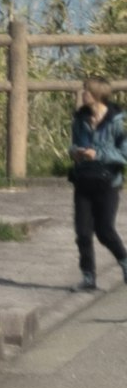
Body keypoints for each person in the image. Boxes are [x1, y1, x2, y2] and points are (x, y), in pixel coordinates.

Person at [73, 86, 127, 293]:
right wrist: (75, 152)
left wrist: (98, 154)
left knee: (105, 231)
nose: (83, 93)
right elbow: (74, 144)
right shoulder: (80, 119)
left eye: (86, 90)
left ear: (97, 94)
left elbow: (123, 154)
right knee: (83, 233)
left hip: (107, 182)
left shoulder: (115, 122)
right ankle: (88, 277)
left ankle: (124, 262)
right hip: (83, 180)